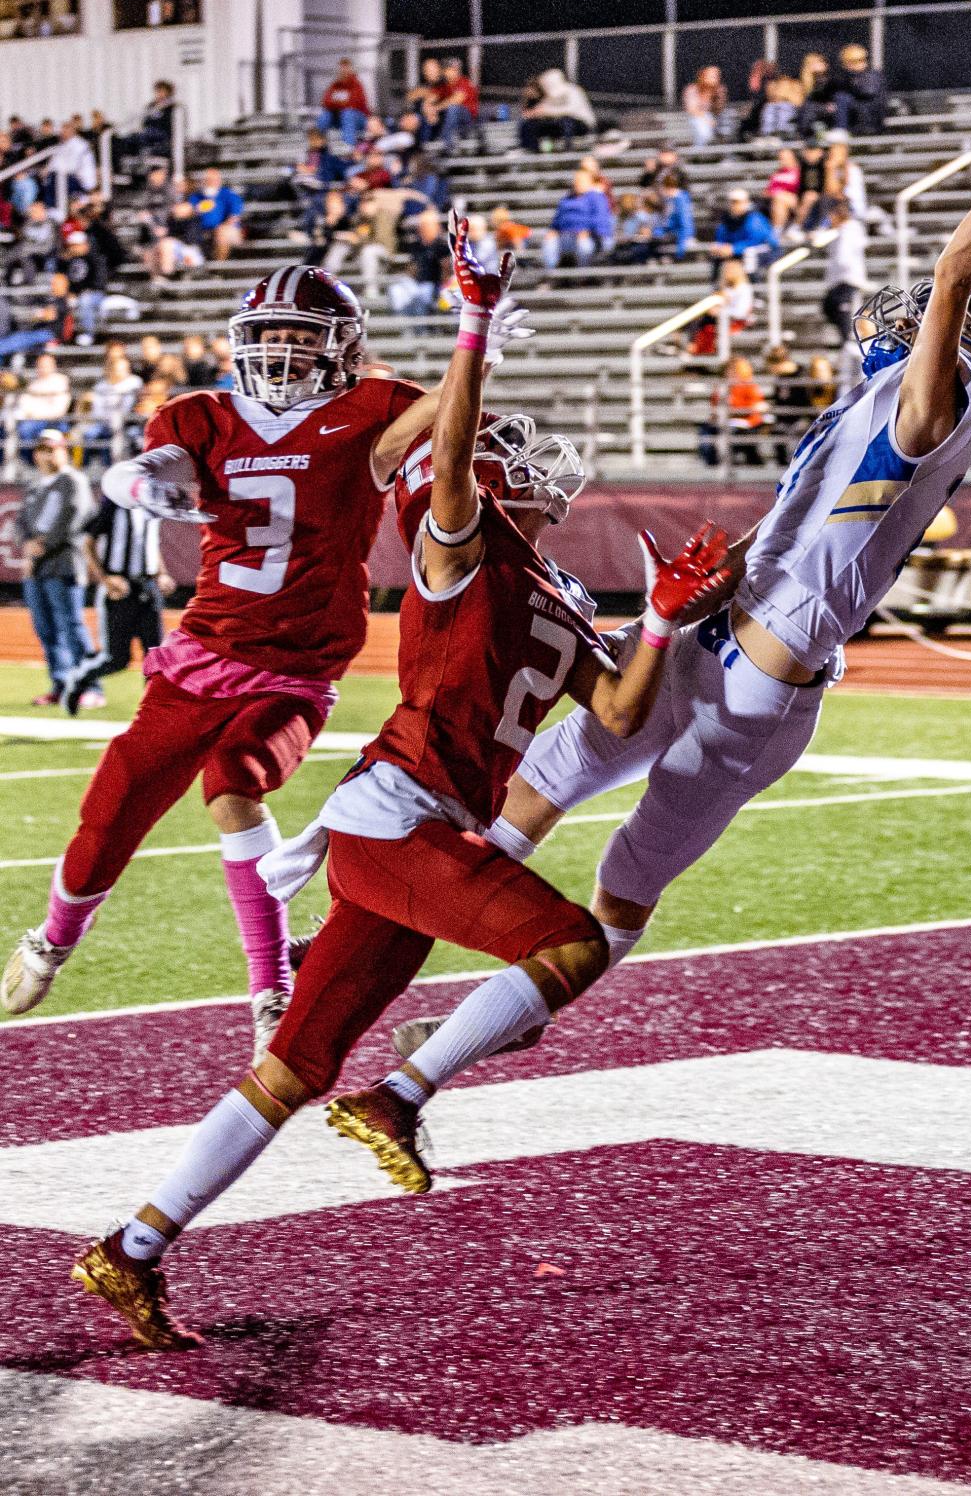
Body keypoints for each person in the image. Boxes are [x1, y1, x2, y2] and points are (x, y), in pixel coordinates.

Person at [68, 219, 726, 1351]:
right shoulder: (454, 548)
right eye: (514, 452)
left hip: (428, 831)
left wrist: (663, 622)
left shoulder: (558, 596)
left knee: (290, 1068)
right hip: (398, 818)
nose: (537, 465)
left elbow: (619, 715)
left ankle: (130, 1249)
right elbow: (457, 454)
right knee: (569, 946)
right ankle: (402, 1096)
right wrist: (471, 328)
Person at [391, 46, 971, 1075]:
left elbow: (954, 272)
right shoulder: (875, 408)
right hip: (715, 631)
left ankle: (447, 1056)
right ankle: (380, 961)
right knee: (533, 789)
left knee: (622, 885)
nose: (896, 327)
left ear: (963, 352)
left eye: (925, 328)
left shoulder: (935, 409)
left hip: (761, 676)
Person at [0, 267, 456, 1054]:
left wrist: (477, 340)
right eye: (270, 333)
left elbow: (447, 410)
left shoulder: (367, 412)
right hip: (205, 655)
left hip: (300, 667)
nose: (282, 349)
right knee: (112, 810)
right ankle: (54, 936)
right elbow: (152, 468)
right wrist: (137, 483)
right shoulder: (202, 416)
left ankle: (271, 990)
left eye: (302, 334)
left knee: (233, 785)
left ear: (340, 347)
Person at [60, 490, 176, 715]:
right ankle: (79, 680)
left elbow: (150, 545)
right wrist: (104, 579)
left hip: (148, 588)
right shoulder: (115, 503)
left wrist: (161, 573)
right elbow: (87, 542)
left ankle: (150, 714)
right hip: (119, 591)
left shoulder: (154, 503)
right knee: (116, 659)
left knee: (155, 656)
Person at [15, 429, 95, 706]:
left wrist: (43, 546)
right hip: (36, 568)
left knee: (71, 625)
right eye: (42, 449)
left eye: (53, 448)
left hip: (64, 564)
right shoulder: (36, 485)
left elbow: (73, 518)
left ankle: (90, 686)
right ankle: (60, 684)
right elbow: (20, 522)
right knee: (46, 629)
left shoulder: (74, 481)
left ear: (64, 450)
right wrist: (27, 545)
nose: (48, 454)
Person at [697, 355, 770, 467]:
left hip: (745, 423)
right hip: (725, 421)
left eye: (734, 369)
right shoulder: (721, 388)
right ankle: (712, 464)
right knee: (705, 430)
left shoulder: (748, 386)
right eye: (728, 369)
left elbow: (758, 406)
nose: (730, 372)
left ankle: (749, 464)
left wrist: (736, 411)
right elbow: (715, 408)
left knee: (735, 434)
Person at [817, 198, 870, 343]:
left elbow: (842, 258)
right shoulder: (842, 231)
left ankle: (851, 339)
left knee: (844, 316)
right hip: (843, 280)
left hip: (845, 280)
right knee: (830, 309)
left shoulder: (847, 232)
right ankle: (848, 338)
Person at [541, 167, 614, 269]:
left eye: (580, 181)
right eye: (576, 180)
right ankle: (551, 275)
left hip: (591, 237)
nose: (577, 183)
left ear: (590, 182)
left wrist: (588, 231)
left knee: (584, 246)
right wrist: (553, 230)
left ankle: (582, 276)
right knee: (549, 243)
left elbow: (600, 221)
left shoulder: (597, 198)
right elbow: (557, 220)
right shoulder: (567, 199)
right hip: (567, 236)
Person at [387, 209, 451, 316]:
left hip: (434, 284)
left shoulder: (442, 246)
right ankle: (403, 325)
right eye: (422, 226)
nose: (423, 229)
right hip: (417, 282)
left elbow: (446, 271)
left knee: (424, 292)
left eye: (427, 226)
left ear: (436, 227)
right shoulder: (416, 246)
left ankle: (421, 329)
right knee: (396, 290)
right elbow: (412, 267)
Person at [687, 258, 755, 356]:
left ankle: (692, 346)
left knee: (702, 319)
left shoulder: (744, 289)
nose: (727, 272)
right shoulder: (725, 289)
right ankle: (691, 345)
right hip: (721, 320)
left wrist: (720, 311)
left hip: (735, 322)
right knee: (698, 315)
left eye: (730, 270)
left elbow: (741, 313)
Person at [518, 69, 595, 152]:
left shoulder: (573, 91)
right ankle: (530, 150)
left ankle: (568, 151)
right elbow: (539, 109)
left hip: (580, 125)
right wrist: (532, 109)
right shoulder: (549, 96)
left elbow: (571, 110)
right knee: (530, 125)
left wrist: (547, 111)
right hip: (560, 125)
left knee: (567, 121)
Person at [708, 187, 778, 274]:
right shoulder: (727, 219)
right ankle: (717, 285)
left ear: (746, 202)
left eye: (737, 202)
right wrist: (719, 247)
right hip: (739, 250)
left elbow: (755, 241)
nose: (734, 205)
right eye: (732, 202)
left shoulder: (754, 218)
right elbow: (721, 237)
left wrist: (733, 249)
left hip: (765, 250)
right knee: (717, 255)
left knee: (750, 254)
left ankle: (752, 284)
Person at [829, 43, 888, 135]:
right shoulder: (844, 77)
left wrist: (849, 83)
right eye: (853, 61)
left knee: (842, 97)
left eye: (862, 60)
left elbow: (868, 91)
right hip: (855, 120)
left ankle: (840, 131)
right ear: (844, 63)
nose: (860, 64)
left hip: (870, 120)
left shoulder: (872, 75)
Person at [191, 168, 244, 263]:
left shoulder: (228, 195)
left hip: (226, 231)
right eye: (208, 180)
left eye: (213, 180)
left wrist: (220, 228)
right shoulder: (196, 197)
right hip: (202, 231)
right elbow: (190, 211)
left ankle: (219, 266)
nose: (211, 183)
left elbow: (234, 217)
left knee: (222, 233)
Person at [316, 58, 371, 149]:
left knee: (348, 113)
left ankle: (348, 149)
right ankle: (318, 147)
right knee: (324, 116)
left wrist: (335, 103)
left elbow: (354, 104)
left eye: (346, 68)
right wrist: (342, 103)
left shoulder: (357, 85)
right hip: (338, 117)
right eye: (341, 68)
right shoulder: (334, 86)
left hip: (359, 119)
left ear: (351, 70)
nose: (343, 71)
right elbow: (325, 102)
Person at [681, 66, 728, 147]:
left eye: (717, 75)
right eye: (712, 75)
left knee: (727, 119)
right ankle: (700, 152)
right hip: (696, 118)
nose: (715, 78)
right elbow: (691, 109)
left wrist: (715, 96)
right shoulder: (692, 89)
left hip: (716, 118)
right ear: (703, 76)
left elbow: (719, 110)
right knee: (704, 130)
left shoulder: (719, 90)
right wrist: (707, 119)